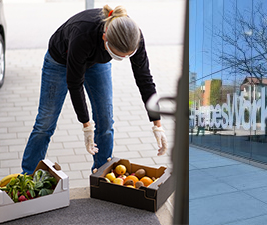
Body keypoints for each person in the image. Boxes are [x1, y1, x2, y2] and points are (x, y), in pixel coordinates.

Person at [20, 5, 167, 174]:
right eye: (118, 56)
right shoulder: (83, 34)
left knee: (106, 119)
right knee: (45, 122)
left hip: (96, 63)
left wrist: (157, 124)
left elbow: (145, 80)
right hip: (59, 62)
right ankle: (28, 175)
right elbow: (74, 83)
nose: (124, 59)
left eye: (128, 55)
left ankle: (101, 175)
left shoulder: (133, 36)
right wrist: (86, 125)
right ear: (105, 38)